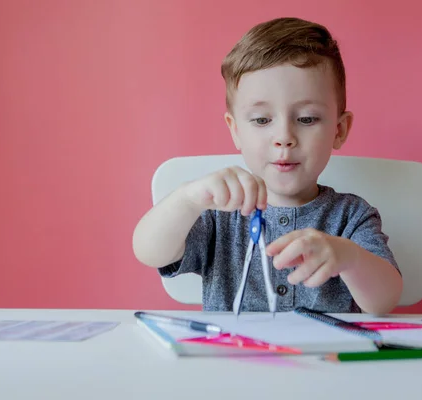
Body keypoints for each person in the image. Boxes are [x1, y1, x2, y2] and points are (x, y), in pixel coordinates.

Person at [132, 17, 402, 315]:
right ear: (235, 130)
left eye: (307, 119)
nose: (284, 138)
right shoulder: (220, 215)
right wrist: (187, 199)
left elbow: (384, 301)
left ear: (339, 130)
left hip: (325, 359)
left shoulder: (351, 217)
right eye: (262, 120)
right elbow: (149, 251)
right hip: (235, 359)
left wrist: (350, 258)